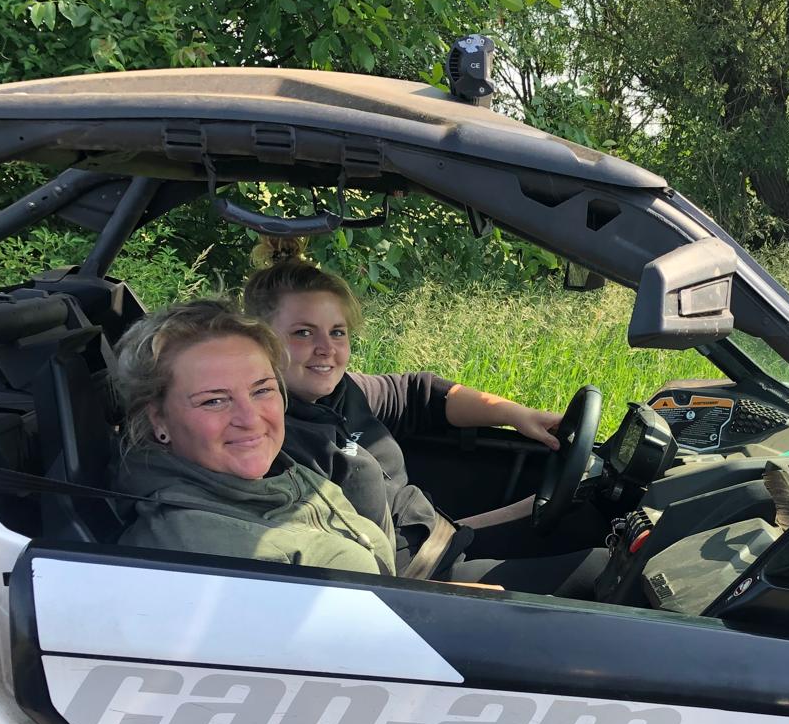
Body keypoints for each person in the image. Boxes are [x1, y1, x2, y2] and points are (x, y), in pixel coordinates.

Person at [241, 237, 604, 596]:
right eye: (303, 333)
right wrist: (445, 597)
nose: (327, 349)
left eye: (338, 332)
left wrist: (517, 415)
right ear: (261, 342)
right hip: (413, 583)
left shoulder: (344, 390)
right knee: (602, 572)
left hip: (441, 539)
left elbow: (419, 394)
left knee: (592, 522)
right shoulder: (262, 439)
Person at [111, 299, 396, 576]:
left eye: (262, 390)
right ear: (159, 419)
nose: (250, 419)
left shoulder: (283, 475)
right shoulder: (199, 549)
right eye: (214, 401)